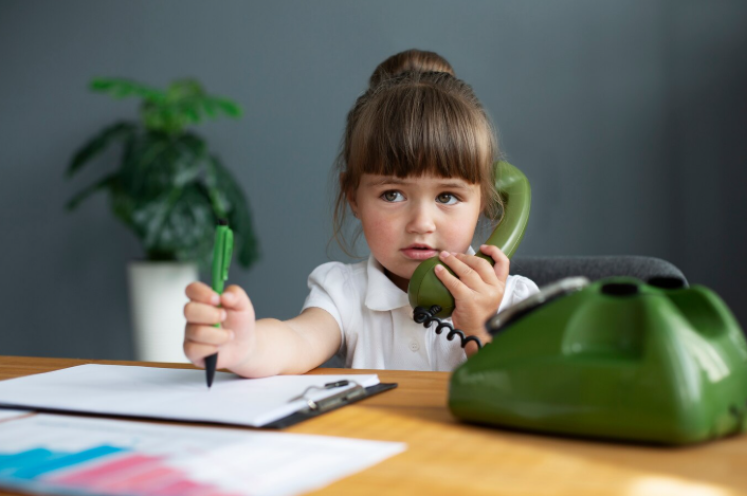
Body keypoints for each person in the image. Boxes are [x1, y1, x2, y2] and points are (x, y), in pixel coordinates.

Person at [183, 49, 539, 376]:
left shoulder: (516, 298)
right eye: (393, 193)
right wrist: (243, 346)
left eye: (447, 196)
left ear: (486, 202)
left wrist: (479, 329)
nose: (422, 223)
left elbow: (531, 392)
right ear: (352, 195)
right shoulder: (343, 292)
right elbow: (298, 339)